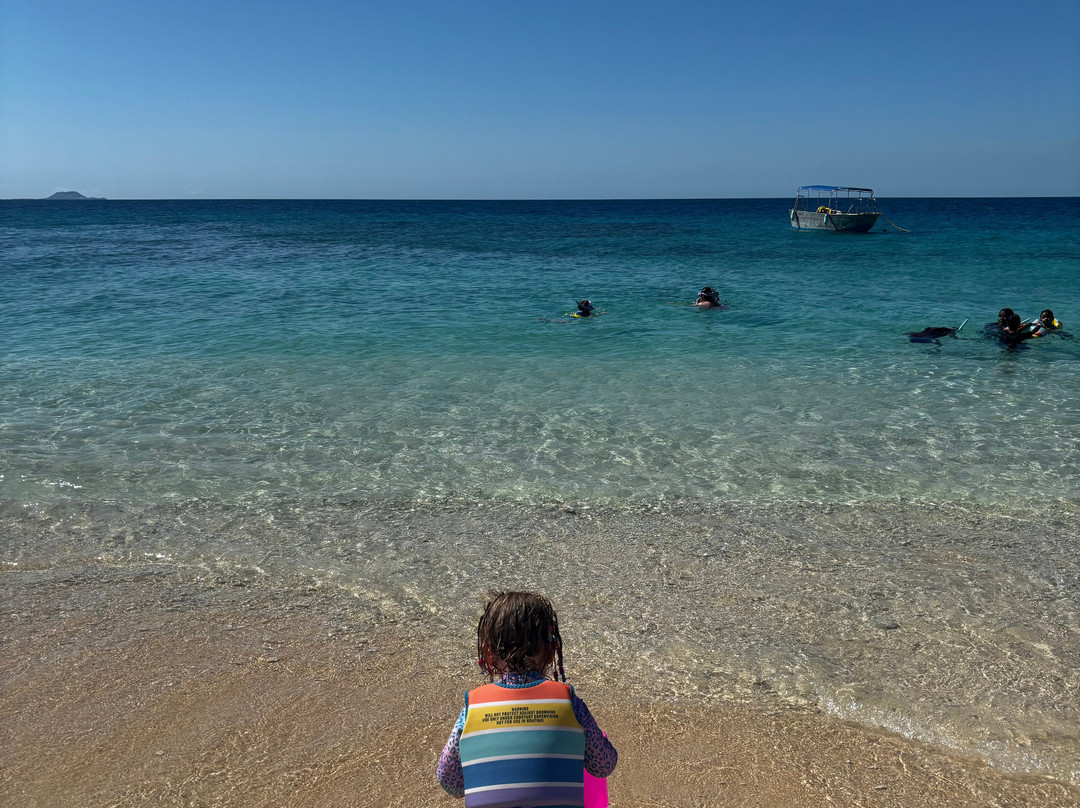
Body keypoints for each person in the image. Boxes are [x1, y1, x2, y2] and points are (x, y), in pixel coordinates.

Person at [436, 591, 618, 806]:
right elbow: (603, 765)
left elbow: (449, 782)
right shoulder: (569, 704)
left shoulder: (472, 708)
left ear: (488, 653)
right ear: (551, 651)